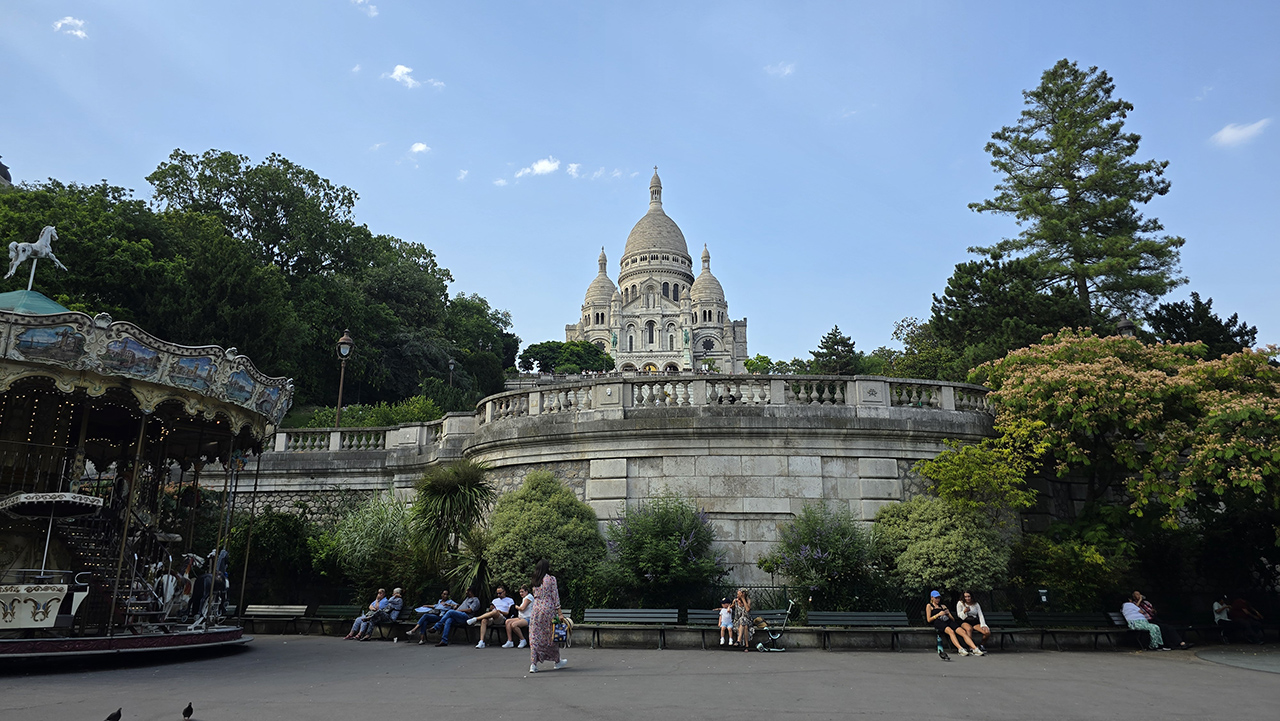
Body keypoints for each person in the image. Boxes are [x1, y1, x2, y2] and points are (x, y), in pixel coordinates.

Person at [528, 558, 567, 672]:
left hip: (536, 610)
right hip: (548, 609)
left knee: (535, 636)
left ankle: (533, 664)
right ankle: (557, 660)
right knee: (551, 636)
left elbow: (535, 595)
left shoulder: (535, 580)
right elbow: (555, 596)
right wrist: (559, 612)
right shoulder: (551, 579)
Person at [927, 590, 982, 656]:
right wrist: (938, 615)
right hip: (938, 622)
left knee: (962, 632)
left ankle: (974, 648)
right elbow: (929, 620)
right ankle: (960, 649)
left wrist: (948, 613)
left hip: (948, 620)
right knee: (951, 631)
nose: (937, 599)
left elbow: (952, 619)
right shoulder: (929, 606)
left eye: (938, 598)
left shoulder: (943, 606)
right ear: (932, 598)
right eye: (936, 598)